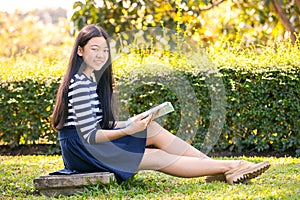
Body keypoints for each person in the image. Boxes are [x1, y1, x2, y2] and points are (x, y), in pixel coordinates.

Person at [50, 24, 270, 184]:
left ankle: (214, 169)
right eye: (94, 49)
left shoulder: (91, 80)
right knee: (157, 157)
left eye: (105, 50)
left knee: (152, 128)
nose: (101, 55)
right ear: (80, 51)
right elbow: (90, 135)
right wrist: (129, 130)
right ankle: (231, 167)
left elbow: (98, 123)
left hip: (87, 145)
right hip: (83, 151)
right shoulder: (79, 83)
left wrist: (131, 122)